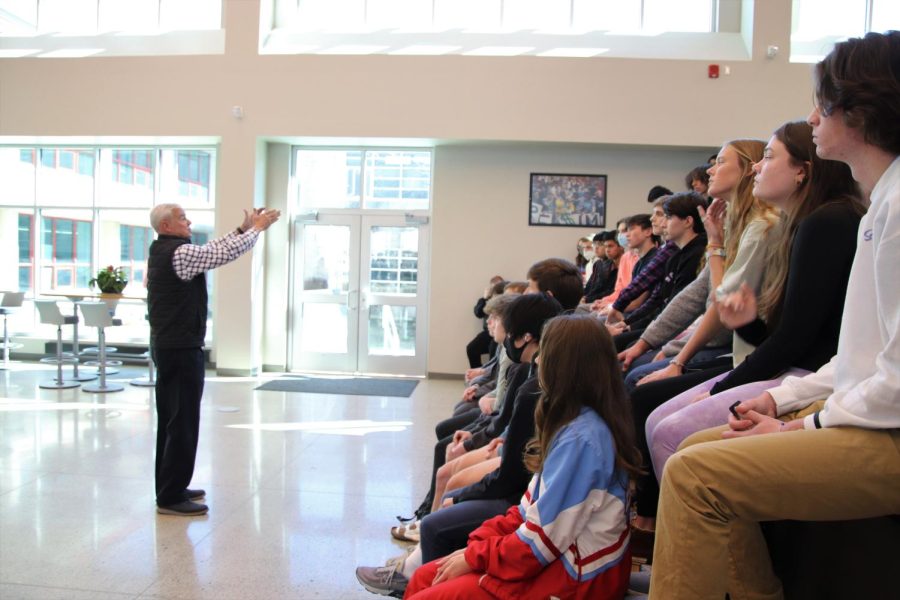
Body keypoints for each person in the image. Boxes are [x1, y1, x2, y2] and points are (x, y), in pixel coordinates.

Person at [649, 30, 900, 599]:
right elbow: (860, 357)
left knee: (693, 475)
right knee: (693, 451)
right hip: (873, 416)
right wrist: (779, 400)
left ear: (860, 112)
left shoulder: (889, 208)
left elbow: (893, 382)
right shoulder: (877, 205)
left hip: (890, 437)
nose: (811, 117)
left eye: (823, 103)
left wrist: (799, 424)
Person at [401, 314, 642, 599]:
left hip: (575, 579)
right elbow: (528, 510)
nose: (538, 362)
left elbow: (538, 545)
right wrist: (475, 548)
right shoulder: (576, 423)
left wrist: (476, 557)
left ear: (566, 367)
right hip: (557, 560)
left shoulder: (583, 440)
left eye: (546, 355)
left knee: (428, 591)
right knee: (425, 576)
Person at [148, 203, 280, 516]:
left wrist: (243, 229)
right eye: (182, 218)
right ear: (166, 226)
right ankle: (170, 496)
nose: (188, 221)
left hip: (171, 346)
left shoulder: (168, 249)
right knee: (181, 423)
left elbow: (212, 248)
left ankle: (172, 486)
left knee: (173, 421)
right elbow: (221, 255)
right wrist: (257, 229)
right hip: (179, 349)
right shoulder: (178, 253)